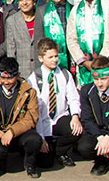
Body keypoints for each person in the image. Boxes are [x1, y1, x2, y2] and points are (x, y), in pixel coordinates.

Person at [27, 39, 82, 170]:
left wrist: (75, 116)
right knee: (45, 163)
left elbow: (73, 98)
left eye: (56, 56)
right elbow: (36, 110)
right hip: (43, 121)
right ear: (41, 58)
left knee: (76, 130)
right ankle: (50, 147)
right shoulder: (34, 78)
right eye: (50, 57)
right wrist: (41, 138)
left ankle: (60, 151)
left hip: (60, 117)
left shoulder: (64, 74)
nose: (55, 60)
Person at [0, 58, 42, 178]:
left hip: (20, 132)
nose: (6, 82)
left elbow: (31, 118)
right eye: (3, 78)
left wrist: (12, 131)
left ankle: (30, 163)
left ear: (18, 75)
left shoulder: (29, 92)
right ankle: (0, 165)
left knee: (34, 140)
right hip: (1, 132)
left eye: (10, 78)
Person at [66, 0, 109, 85]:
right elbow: (71, 39)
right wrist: (84, 62)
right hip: (85, 66)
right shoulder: (75, 11)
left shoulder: (108, 6)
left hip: (108, 63)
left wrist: (100, 60)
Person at [34, 0, 73, 71]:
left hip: (71, 59)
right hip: (51, 61)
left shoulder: (73, 10)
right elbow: (38, 40)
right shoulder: (41, 11)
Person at [5, 0, 40, 78]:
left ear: (34, 1)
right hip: (22, 72)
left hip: (40, 69)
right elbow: (11, 50)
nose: (24, 3)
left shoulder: (41, 17)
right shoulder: (11, 21)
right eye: (21, 0)